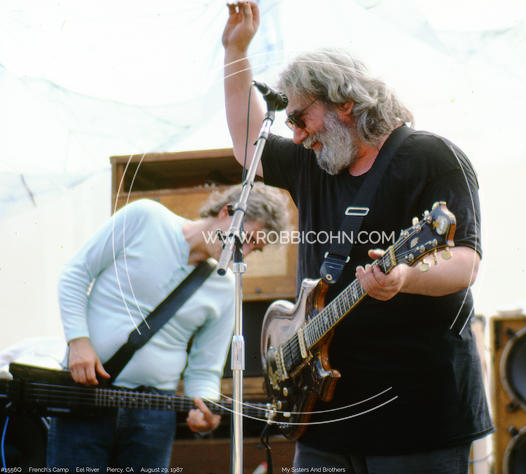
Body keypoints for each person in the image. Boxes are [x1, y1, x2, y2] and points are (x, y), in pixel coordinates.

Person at [222, 3, 493, 473]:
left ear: (344, 104)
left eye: (301, 118)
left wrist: (404, 278)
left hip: (416, 417)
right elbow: (248, 144)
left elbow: (465, 262)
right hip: (323, 417)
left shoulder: (432, 157)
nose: (296, 135)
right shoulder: (314, 162)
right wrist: (235, 50)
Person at [46, 182, 289, 471]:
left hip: (154, 414)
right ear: (227, 212)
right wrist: (78, 341)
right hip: (85, 395)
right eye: (246, 238)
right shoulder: (144, 217)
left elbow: (204, 370)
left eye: (254, 248)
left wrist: (206, 409)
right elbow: (75, 274)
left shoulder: (226, 288)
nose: (244, 252)